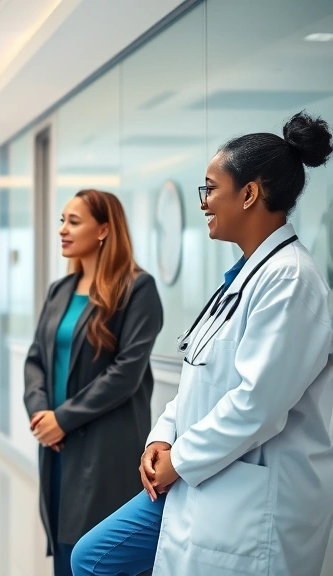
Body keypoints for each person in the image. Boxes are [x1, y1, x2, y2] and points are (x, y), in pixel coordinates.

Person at [72, 112, 333, 576]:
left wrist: (180, 459)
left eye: (210, 189)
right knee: (91, 558)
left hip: (247, 493)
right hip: (201, 473)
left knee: (93, 561)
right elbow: (198, 375)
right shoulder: (243, 277)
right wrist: (161, 438)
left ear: (249, 193)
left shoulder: (290, 279)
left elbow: (258, 404)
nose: (204, 203)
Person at [24, 189, 163, 576]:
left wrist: (62, 418)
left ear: (104, 229)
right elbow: (36, 357)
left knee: (97, 553)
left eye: (74, 221)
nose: (62, 230)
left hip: (104, 446)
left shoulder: (137, 289)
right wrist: (41, 415)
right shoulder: (60, 291)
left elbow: (126, 372)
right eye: (62, 220)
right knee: (64, 547)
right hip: (57, 442)